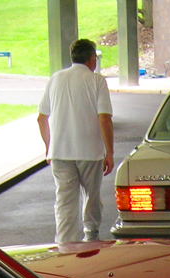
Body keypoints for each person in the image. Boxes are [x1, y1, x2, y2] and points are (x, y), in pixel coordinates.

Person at [37, 39, 115, 244]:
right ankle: (91, 235)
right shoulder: (97, 81)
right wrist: (110, 152)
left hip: (60, 153)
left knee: (64, 201)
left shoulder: (55, 78)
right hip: (90, 152)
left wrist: (48, 147)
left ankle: (65, 244)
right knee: (92, 197)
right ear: (91, 59)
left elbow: (41, 117)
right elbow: (104, 118)